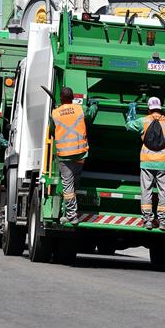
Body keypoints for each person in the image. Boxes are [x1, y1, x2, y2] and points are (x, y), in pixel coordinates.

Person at [126, 97, 165, 231]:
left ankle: (148, 220)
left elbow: (128, 125)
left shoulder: (143, 121)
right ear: (160, 108)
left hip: (147, 161)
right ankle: (163, 221)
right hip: (164, 161)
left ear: (149, 108)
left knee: (146, 191)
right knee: (164, 191)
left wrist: (131, 110)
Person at [50, 87, 98, 226]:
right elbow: (90, 115)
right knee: (75, 182)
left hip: (65, 156)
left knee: (68, 186)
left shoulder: (55, 113)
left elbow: (53, 131)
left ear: (61, 99)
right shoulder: (80, 109)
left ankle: (71, 216)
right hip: (80, 153)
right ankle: (70, 213)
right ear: (72, 98)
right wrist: (95, 105)